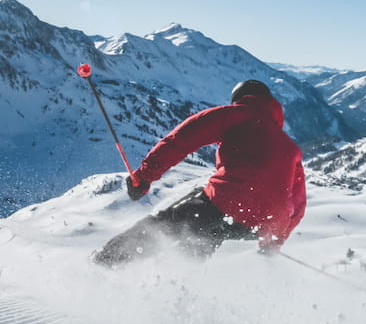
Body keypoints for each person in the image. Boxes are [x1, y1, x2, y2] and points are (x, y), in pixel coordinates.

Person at [92, 79, 307, 267]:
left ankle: (103, 262)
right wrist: (274, 241)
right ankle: (180, 292)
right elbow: (298, 205)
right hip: (258, 225)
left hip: (226, 202)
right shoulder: (290, 146)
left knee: (163, 226)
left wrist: (145, 176)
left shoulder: (235, 114)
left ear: (240, 99)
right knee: (206, 236)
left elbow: (183, 138)